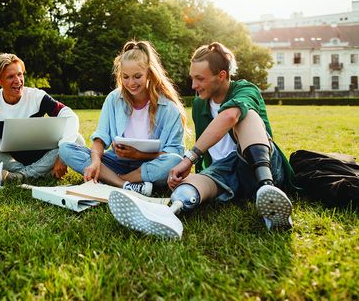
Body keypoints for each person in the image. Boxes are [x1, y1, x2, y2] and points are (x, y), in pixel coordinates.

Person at [109, 42, 294, 238]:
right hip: (224, 173)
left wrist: (189, 158)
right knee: (189, 184)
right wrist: (189, 174)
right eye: (192, 78)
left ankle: (267, 189)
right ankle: (167, 213)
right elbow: (207, 150)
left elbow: (230, 116)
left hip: (261, 167)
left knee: (245, 116)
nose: (193, 85)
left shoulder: (245, 90)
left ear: (221, 76)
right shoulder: (199, 104)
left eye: (199, 79)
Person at [59, 40, 187, 196]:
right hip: (116, 162)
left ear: (149, 74)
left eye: (137, 76)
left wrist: (139, 155)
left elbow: (175, 155)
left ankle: (115, 181)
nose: (131, 83)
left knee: (175, 161)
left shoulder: (168, 108)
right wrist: (95, 162)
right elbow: (101, 138)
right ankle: (124, 185)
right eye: (125, 77)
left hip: (150, 165)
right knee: (65, 149)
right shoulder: (113, 99)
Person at [0, 53, 84, 182]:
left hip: (41, 156)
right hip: (8, 160)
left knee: (77, 139)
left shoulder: (37, 96)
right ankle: (40, 172)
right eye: (10, 77)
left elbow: (69, 115)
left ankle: (21, 176)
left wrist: (62, 156)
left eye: (20, 74)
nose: (18, 80)